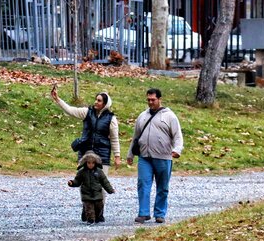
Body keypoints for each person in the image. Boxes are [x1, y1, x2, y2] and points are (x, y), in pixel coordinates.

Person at [127, 88, 183, 224]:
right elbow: (135, 137)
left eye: (153, 100)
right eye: (148, 100)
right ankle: (144, 213)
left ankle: (159, 213)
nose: (150, 102)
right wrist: (130, 154)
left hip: (163, 157)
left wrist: (177, 149)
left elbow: (177, 136)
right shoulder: (142, 116)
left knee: (162, 186)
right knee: (143, 184)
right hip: (144, 156)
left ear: (159, 99)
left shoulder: (170, 116)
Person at [51, 88, 121, 171]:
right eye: (96, 99)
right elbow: (70, 110)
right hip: (85, 153)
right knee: (84, 181)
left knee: (100, 182)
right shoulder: (87, 112)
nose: (95, 102)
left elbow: (114, 139)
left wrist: (117, 157)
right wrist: (57, 99)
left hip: (102, 155)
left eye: (99, 101)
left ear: (105, 104)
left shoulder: (111, 119)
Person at [68, 151, 115, 224]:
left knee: (99, 207)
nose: (91, 165)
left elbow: (104, 182)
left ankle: (97, 217)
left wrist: (110, 190)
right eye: (89, 163)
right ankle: (90, 219)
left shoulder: (99, 172)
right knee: (89, 208)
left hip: (97, 193)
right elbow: (77, 181)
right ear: (85, 163)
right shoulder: (82, 172)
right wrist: (72, 183)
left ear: (96, 163)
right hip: (86, 194)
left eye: (93, 163)